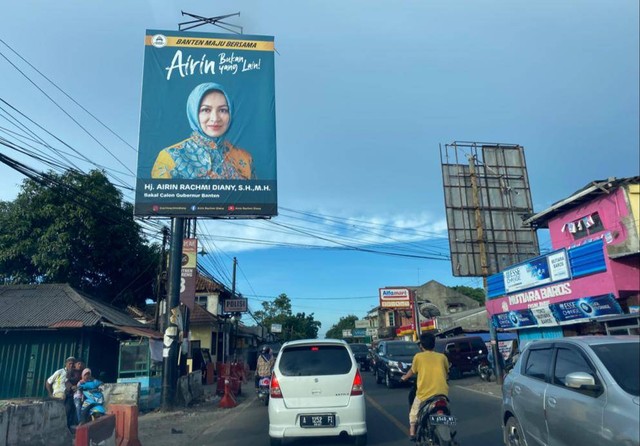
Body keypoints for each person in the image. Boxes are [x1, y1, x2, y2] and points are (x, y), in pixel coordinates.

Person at [151, 82, 255, 180]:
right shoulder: (170, 158)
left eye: (223, 110)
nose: (215, 118)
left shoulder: (245, 158)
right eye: (206, 110)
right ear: (193, 113)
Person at [399, 333, 450, 441]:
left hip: (424, 394)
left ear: (421, 346)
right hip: (442, 393)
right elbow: (446, 372)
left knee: (414, 411)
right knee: (446, 409)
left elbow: (412, 371)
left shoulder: (418, 357)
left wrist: (404, 378)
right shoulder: (442, 357)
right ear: (434, 344)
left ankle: (412, 431)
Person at [45, 356, 76, 428]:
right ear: (66, 364)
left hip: (69, 395)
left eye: (72, 364)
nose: (71, 365)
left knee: (68, 411)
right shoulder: (60, 372)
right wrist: (50, 394)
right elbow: (48, 382)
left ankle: (65, 427)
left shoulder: (74, 374)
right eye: (70, 363)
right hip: (59, 394)